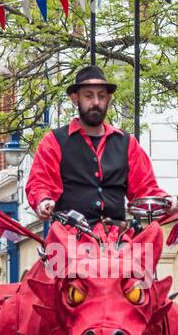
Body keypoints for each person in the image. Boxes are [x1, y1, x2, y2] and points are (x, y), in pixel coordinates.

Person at [25, 65, 166, 226]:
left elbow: (145, 188)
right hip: (71, 239)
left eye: (101, 96)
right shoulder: (54, 141)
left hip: (116, 239)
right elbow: (40, 182)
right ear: (75, 99)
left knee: (152, 235)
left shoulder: (127, 143)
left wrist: (165, 201)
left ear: (109, 99)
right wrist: (43, 200)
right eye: (89, 96)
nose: (96, 102)